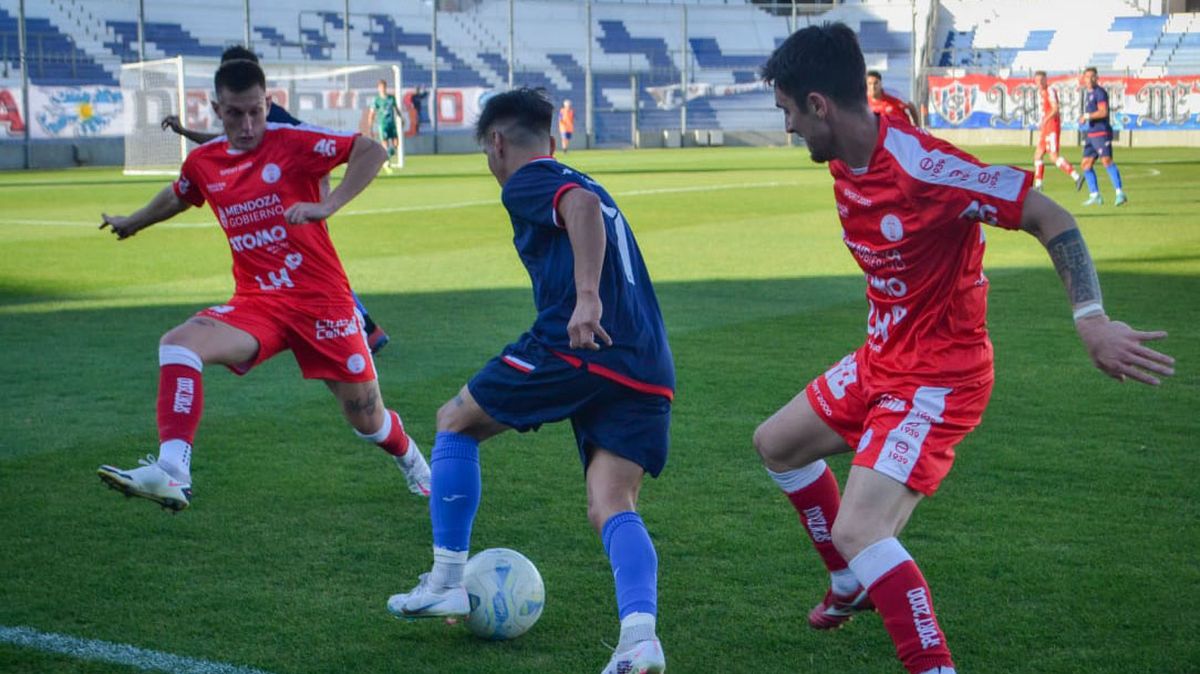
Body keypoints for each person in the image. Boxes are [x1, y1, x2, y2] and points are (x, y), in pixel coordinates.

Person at [756, 24, 1172, 674]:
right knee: (776, 444)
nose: (786, 129)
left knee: (861, 528)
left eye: (786, 112)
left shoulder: (925, 170)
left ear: (818, 106)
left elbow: (1050, 217)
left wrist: (1091, 318)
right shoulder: (846, 153)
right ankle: (849, 582)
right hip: (882, 358)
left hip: (937, 376)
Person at [386, 88, 673, 674]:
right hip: (646, 363)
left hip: (580, 346)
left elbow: (580, 211)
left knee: (454, 421)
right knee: (612, 503)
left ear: (496, 143)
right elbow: (588, 208)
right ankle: (640, 640)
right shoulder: (577, 173)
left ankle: (446, 578)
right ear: (553, 133)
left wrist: (586, 300)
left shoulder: (529, 179)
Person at [97, 57, 432, 513]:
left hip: (323, 303)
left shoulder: (292, 141)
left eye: (256, 110)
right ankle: (173, 470)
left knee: (368, 421)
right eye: (235, 113)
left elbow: (370, 150)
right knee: (178, 345)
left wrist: (327, 205)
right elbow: (180, 194)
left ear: (268, 103)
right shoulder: (204, 162)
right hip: (259, 304)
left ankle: (414, 462)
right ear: (216, 108)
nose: (248, 123)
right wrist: (132, 224)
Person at [161, 46, 391, 354]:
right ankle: (363, 332)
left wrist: (324, 201)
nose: (247, 122)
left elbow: (320, 148)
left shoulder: (276, 120)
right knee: (306, 275)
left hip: (297, 208)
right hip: (277, 212)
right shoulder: (245, 119)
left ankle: (361, 331)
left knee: (316, 274)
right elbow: (221, 144)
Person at [1078, 66, 1127, 206]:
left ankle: (1119, 193)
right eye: (1087, 77)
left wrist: (1086, 116)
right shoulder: (1089, 93)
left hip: (1101, 132)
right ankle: (1095, 195)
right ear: (1084, 79)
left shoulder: (1100, 93)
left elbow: (1103, 112)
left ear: (1097, 78)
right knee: (1086, 164)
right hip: (1091, 133)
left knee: (1106, 161)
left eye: (1092, 76)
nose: (1090, 79)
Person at [1032, 70, 1083, 192]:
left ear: (1045, 80)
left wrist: (1045, 120)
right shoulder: (1041, 92)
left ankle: (1076, 176)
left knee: (1054, 157)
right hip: (1046, 128)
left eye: (1041, 80)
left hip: (1052, 127)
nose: (1039, 82)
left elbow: (1055, 109)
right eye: (1037, 80)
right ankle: (1038, 184)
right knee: (1037, 155)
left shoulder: (1050, 91)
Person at [367, 78, 403, 173]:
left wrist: (401, 117)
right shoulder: (376, 100)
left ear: (386, 87)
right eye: (381, 87)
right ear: (378, 88)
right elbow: (371, 113)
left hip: (392, 124)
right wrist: (370, 127)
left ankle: (385, 158)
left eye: (384, 87)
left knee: (396, 144)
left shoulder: (391, 98)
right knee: (385, 144)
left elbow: (396, 109)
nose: (382, 89)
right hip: (383, 125)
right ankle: (386, 163)